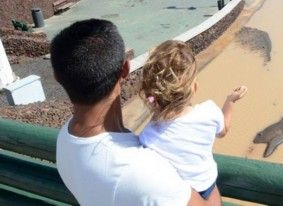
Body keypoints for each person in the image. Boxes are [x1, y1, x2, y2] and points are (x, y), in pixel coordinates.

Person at [52, 19, 219, 206]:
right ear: (125, 69)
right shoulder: (146, 174)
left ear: (57, 77)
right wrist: (203, 162)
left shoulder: (64, 140)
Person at [138, 41, 247, 200]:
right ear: (194, 88)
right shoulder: (209, 112)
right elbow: (223, 130)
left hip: (175, 198)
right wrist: (230, 101)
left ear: (150, 95)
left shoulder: (146, 137)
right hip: (207, 187)